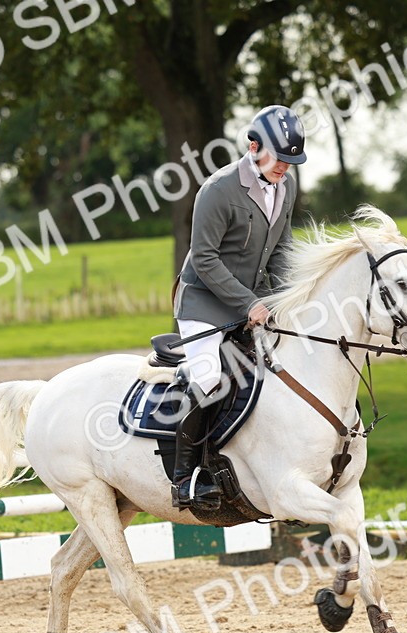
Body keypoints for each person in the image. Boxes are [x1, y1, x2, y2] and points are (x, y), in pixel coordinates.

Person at [170, 104, 306, 510]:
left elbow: (281, 248)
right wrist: (249, 304)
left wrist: (287, 298)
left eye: (292, 159)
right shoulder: (218, 190)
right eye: (280, 157)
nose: (285, 166)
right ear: (252, 146)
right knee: (212, 379)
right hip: (204, 304)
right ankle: (185, 478)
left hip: (255, 302)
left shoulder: (286, 186)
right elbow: (205, 259)